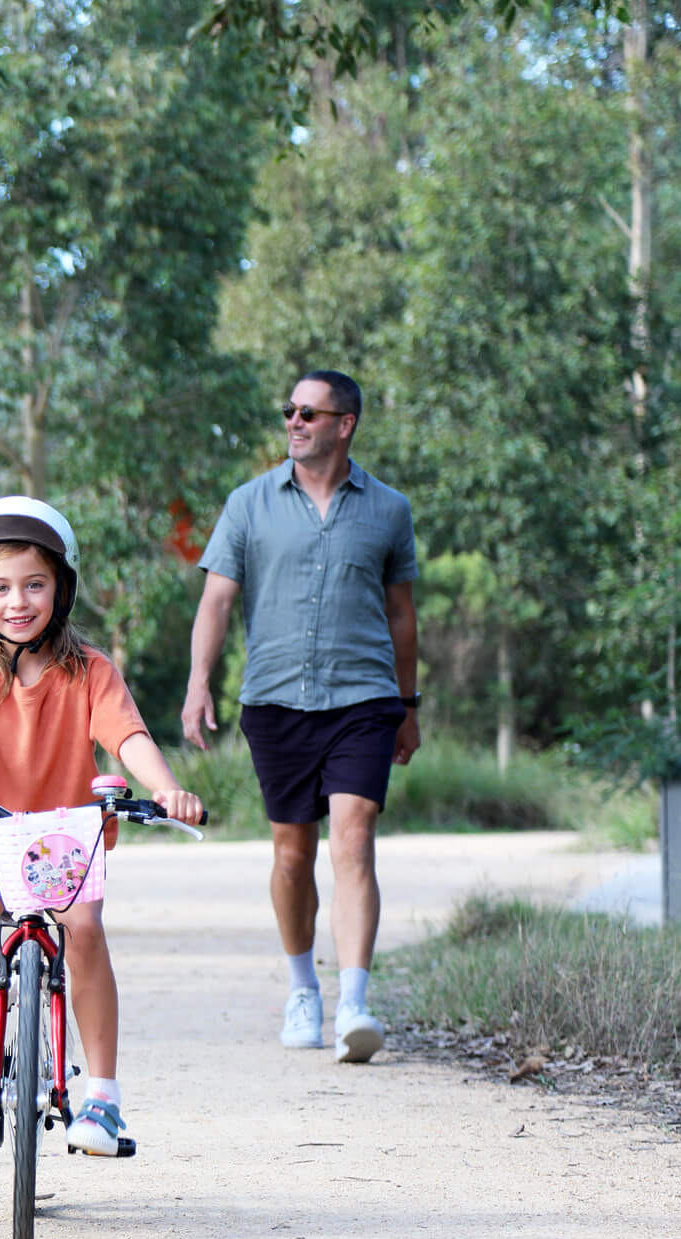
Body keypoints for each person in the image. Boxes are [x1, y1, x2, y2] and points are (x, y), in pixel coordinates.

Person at [0, 496, 205, 1156]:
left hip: (65, 844)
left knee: (83, 931)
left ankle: (103, 1097)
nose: (18, 600)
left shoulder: (90, 672)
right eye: (0, 586)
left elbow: (128, 737)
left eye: (34, 584)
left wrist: (167, 789)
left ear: (61, 587)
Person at [180, 369, 421, 1064]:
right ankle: (301, 989)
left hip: (364, 697)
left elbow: (402, 614)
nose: (294, 421)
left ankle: (353, 1001)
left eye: (308, 413)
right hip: (277, 697)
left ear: (345, 423)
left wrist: (408, 704)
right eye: (289, 410)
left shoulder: (388, 510)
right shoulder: (249, 504)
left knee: (354, 837)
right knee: (293, 852)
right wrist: (200, 683)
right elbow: (218, 602)